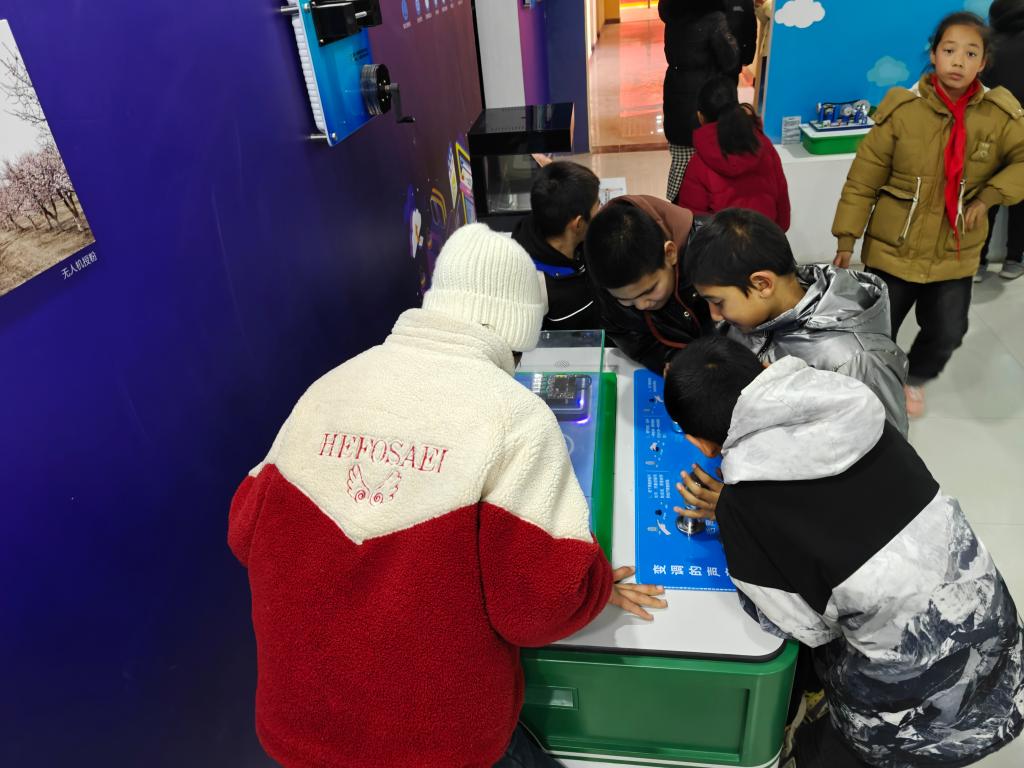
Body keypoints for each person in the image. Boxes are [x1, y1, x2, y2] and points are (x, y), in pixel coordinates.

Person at [227, 224, 665, 768]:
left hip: (295, 729)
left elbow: (244, 530)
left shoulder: (328, 386)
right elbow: (539, 608)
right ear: (520, 329)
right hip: (436, 744)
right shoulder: (514, 415)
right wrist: (593, 585)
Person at [664, 335, 1024, 768]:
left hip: (911, 709)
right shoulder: (858, 412)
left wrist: (734, 523)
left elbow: (804, 628)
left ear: (700, 443)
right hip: (1000, 643)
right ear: (765, 371)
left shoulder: (744, 505)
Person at [832, 12, 1024, 418]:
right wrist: (847, 237)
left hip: (955, 251)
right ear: (934, 54)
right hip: (894, 247)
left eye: (970, 53)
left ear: (983, 62)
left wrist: (989, 196)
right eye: (949, 50)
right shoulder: (903, 109)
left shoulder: (998, 115)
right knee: (876, 329)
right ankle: (871, 380)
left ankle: (913, 377)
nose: (958, 61)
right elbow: (863, 178)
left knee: (948, 331)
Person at [584, 195, 712, 372]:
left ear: (670, 254)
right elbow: (640, 345)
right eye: (626, 300)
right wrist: (675, 365)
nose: (642, 305)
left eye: (649, 290)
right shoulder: (604, 276)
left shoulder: (712, 250)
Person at [675, 77, 790, 230]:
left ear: (700, 117)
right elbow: (783, 214)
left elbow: (692, 226)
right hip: (766, 240)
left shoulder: (698, 165)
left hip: (722, 244)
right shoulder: (764, 146)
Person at [659, 0, 740, 202]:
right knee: (707, 161)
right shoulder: (714, 19)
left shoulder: (672, 15)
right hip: (705, 97)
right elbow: (730, 59)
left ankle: (678, 210)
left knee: (680, 160)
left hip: (676, 91)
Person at [512, 161, 604, 331]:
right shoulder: (534, 289)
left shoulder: (583, 239)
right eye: (597, 206)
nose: (601, 211)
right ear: (578, 224)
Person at [979, 0, 1024, 281]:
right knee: (1021, 199)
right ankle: (1013, 260)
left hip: (988, 132)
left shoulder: (986, 44)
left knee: (986, 197)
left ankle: (977, 261)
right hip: (1023, 131)